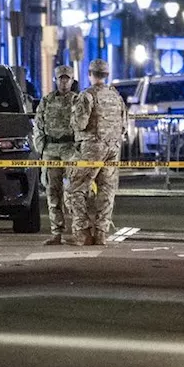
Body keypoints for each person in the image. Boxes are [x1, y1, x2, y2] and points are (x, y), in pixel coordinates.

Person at [63, 58, 127, 245]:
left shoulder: (87, 95)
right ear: (106, 75)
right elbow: (124, 125)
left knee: (75, 188)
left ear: (90, 74)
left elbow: (79, 124)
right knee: (106, 190)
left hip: (91, 148)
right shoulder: (116, 96)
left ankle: (82, 232)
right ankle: (101, 233)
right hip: (113, 148)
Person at [32, 65, 79, 244]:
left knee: (74, 191)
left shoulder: (77, 101)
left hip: (70, 149)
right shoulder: (47, 101)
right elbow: (38, 125)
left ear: (72, 80)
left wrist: (80, 149)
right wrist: (41, 149)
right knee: (52, 191)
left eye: (67, 78)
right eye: (61, 78)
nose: (64, 81)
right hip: (51, 150)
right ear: (56, 80)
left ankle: (78, 230)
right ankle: (56, 232)